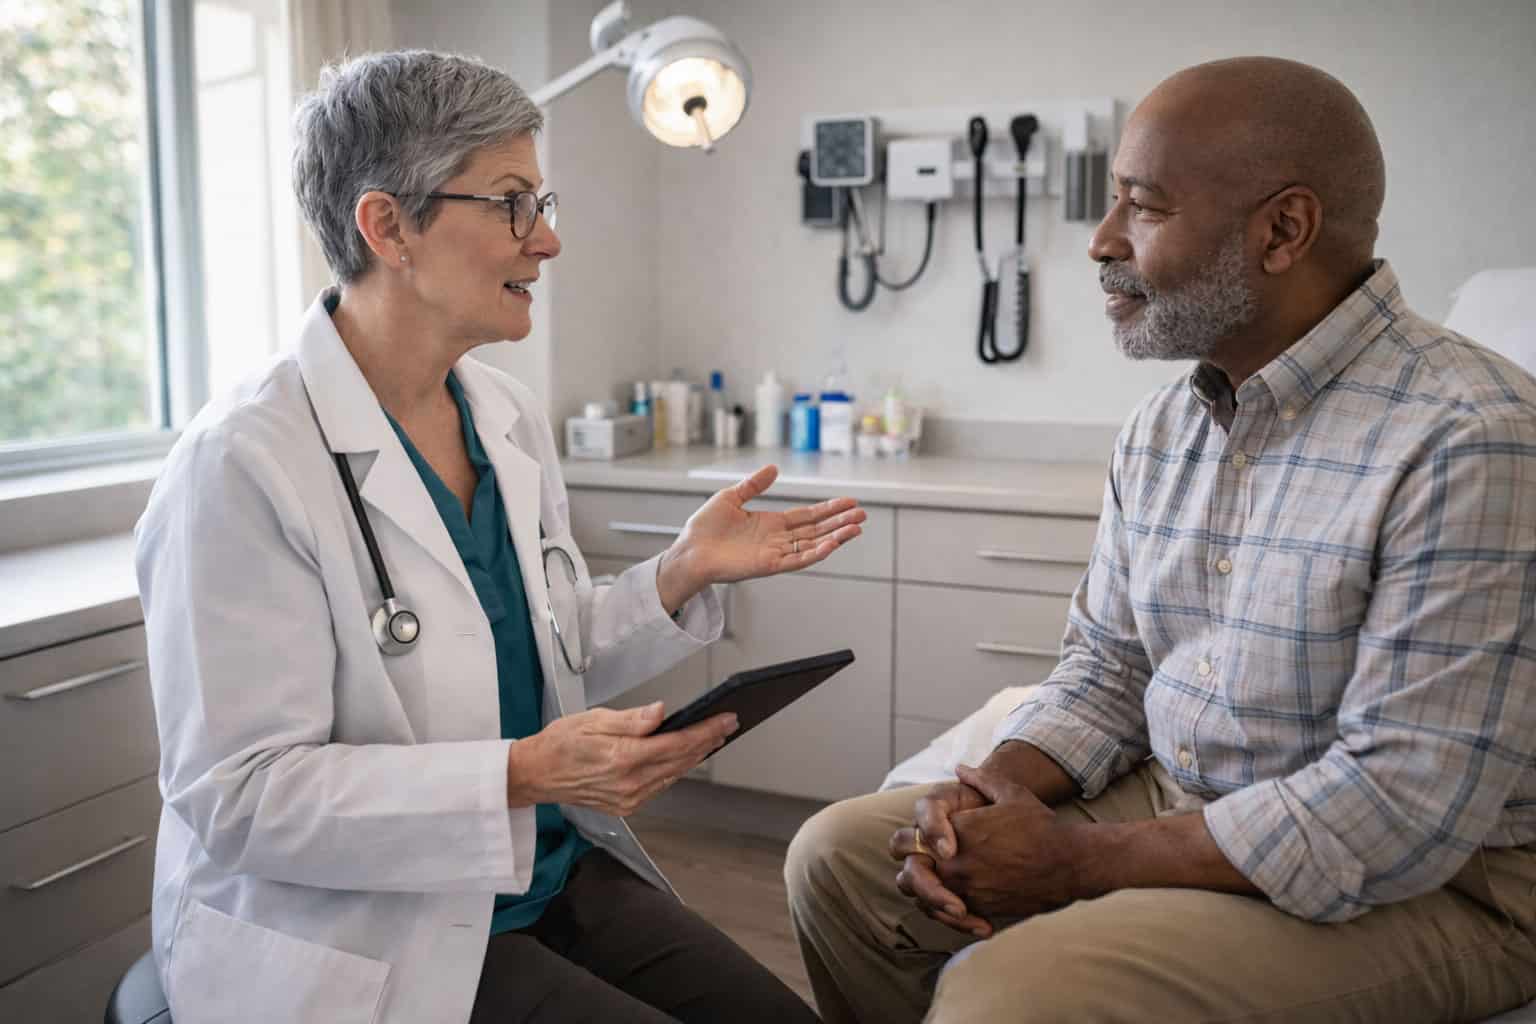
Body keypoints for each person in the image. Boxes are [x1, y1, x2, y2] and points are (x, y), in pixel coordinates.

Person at [786, 56, 1536, 1024]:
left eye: (1143, 206)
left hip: (1447, 881)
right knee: (839, 862)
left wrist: (1079, 863)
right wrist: (989, 791)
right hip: (1183, 795)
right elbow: (1109, 667)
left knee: (1014, 992)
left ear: (1283, 230)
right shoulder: (1164, 428)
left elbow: (1400, 803)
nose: (1102, 241)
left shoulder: (1470, 439)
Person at [136, 50, 861, 1024]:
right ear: (388, 226)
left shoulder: (503, 415)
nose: (547, 240)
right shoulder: (240, 465)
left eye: (540, 202)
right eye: (513, 203)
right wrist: (522, 772)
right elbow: (241, 798)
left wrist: (680, 571)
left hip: (540, 871)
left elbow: (539, 650)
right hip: (365, 929)